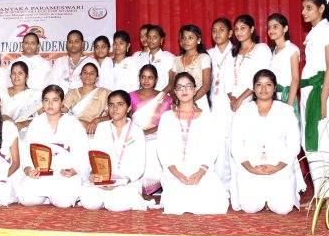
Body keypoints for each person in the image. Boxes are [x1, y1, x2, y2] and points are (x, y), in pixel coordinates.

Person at [231, 70, 303, 214]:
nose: (263, 89)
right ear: (253, 88)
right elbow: (236, 145)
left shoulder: (286, 111)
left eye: (268, 85)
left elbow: (294, 144)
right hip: (251, 167)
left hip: (279, 166)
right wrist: (251, 168)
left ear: (275, 88)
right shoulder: (243, 111)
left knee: (282, 209)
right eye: (259, 85)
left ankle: (273, 198)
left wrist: (277, 167)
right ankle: (261, 199)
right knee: (250, 208)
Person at [157, 72, 229, 214]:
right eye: (179, 87)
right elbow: (162, 148)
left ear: (195, 89)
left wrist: (201, 172)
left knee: (216, 205)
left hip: (199, 169)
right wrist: (177, 173)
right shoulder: (167, 117)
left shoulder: (206, 117)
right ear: (175, 91)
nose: (184, 90)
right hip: (174, 170)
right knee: (176, 206)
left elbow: (212, 148)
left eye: (188, 86)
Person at [16, 85, 89, 208]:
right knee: (25, 198)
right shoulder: (36, 123)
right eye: (46, 100)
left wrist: (75, 170)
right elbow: (27, 152)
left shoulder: (73, 123)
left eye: (55, 100)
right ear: (42, 103)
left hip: (64, 174)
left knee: (63, 202)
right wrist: (29, 170)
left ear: (62, 103)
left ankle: (49, 197)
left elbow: (83, 152)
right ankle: (47, 197)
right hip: (41, 174)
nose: (50, 104)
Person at [80, 90, 152, 211]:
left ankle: (124, 198)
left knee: (115, 204)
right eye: (111, 105)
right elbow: (96, 157)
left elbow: (139, 167)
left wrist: (119, 183)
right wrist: (94, 175)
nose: (115, 108)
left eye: (120, 104)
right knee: (88, 202)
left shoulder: (136, 131)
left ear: (129, 108)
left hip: (126, 182)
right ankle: (108, 198)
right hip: (103, 180)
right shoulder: (102, 128)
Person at [299, 0, 329, 198]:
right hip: (308, 91)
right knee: (310, 142)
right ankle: (321, 193)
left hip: (319, 90)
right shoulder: (314, 32)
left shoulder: (328, 29)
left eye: (308, 8)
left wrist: (323, 99)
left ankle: (325, 195)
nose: (303, 12)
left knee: (319, 142)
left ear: (321, 9)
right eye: (303, 8)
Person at [129, 64, 173, 195]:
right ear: (139, 78)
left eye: (150, 77)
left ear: (156, 79)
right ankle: (135, 185)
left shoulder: (165, 98)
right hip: (135, 133)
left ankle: (148, 186)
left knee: (151, 145)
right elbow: (125, 118)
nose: (146, 80)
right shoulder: (130, 96)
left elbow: (168, 121)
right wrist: (137, 132)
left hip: (158, 133)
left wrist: (150, 131)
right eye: (143, 77)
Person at [207, 18, 235, 193]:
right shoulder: (208, 54)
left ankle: (233, 183)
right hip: (214, 104)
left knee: (232, 142)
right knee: (216, 143)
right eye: (214, 30)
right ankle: (219, 184)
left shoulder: (237, 52)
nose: (217, 33)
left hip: (232, 104)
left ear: (230, 33)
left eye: (221, 29)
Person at [228, 15, 272, 112]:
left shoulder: (260, 48)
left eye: (243, 28)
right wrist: (233, 99)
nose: (239, 32)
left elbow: (261, 78)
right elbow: (226, 78)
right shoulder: (232, 52)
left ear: (251, 29)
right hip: (231, 102)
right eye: (236, 29)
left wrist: (240, 99)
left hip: (252, 98)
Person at [168, 25, 212, 112]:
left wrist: (192, 101)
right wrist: (178, 102)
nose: (186, 41)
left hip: (199, 100)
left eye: (190, 38)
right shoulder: (176, 60)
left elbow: (206, 85)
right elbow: (172, 85)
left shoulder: (204, 58)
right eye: (183, 38)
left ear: (198, 40)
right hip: (180, 102)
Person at [61, 62, 111, 135]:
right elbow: (62, 113)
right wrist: (81, 123)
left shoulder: (103, 93)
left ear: (97, 77)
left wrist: (96, 120)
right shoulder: (72, 92)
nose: (88, 75)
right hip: (73, 129)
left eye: (92, 73)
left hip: (95, 131)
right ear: (80, 75)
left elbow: (111, 115)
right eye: (85, 72)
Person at [267, 13, 301, 120]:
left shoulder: (292, 49)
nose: (271, 30)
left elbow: (295, 79)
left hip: (286, 96)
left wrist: (289, 106)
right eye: (269, 27)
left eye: (275, 27)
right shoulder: (272, 52)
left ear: (285, 28)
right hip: (273, 98)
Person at [2, 61, 43, 134]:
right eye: (13, 73)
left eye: (20, 73)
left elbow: (43, 118)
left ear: (26, 77)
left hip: (27, 133)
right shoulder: (2, 92)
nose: (16, 76)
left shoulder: (35, 95)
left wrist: (25, 123)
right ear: (10, 76)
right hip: (3, 131)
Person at [135, 25, 175, 91]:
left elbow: (171, 83)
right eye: (149, 37)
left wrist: (159, 96)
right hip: (143, 95)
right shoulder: (141, 57)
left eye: (154, 37)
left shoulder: (169, 57)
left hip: (163, 95)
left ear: (161, 40)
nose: (151, 40)